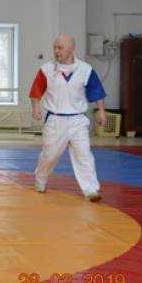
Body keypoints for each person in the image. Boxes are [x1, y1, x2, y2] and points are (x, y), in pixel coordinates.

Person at [29, 35, 106, 202]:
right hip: (55, 120)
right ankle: (40, 179)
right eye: (55, 48)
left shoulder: (85, 69)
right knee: (49, 155)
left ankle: (91, 190)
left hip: (78, 120)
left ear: (72, 49)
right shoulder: (46, 69)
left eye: (60, 48)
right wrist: (35, 107)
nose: (56, 51)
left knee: (84, 155)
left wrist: (101, 111)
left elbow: (96, 91)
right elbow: (36, 91)